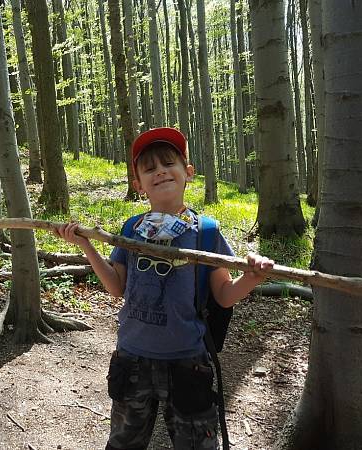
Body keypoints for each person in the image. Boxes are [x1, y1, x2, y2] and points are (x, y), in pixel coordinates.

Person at [55, 127, 274, 449]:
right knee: (124, 441)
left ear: (188, 173)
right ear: (138, 186)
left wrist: (253, 277)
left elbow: (224, 296)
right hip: (132, 358)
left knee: (196, 443)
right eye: (149, 168)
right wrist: (87, 247)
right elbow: (117, 288)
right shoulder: (131, 230)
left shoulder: (206, 233)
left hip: (187, 360)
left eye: (168, 163)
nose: (159, 171)